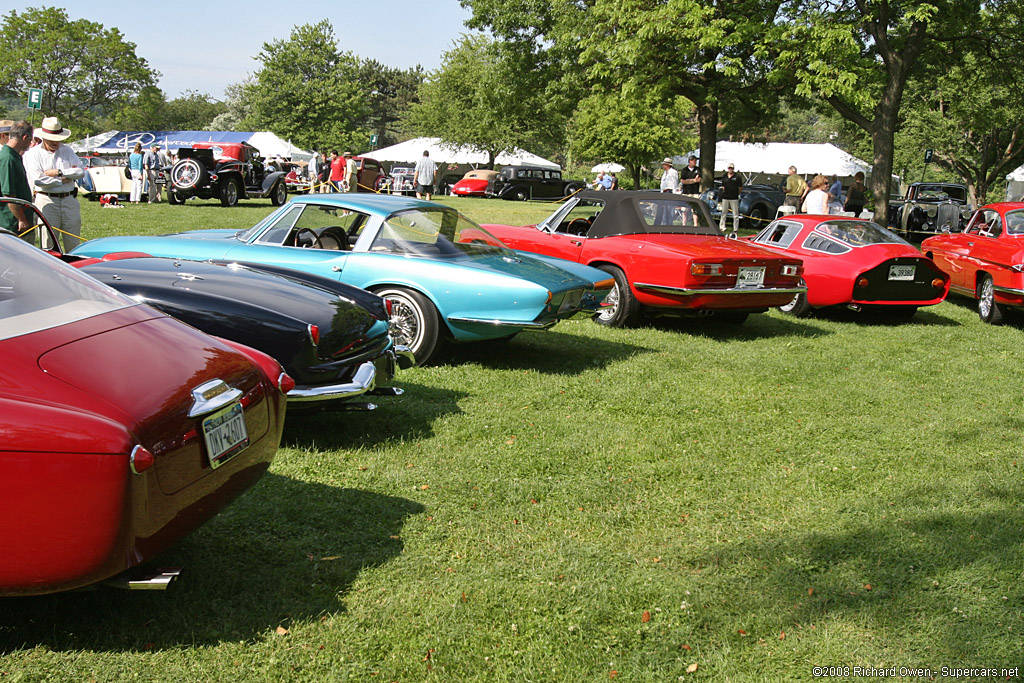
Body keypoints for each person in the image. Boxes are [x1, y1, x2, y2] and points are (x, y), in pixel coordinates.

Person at [23, 116, 84, 251]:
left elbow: (80, 171)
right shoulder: (33, 154)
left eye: (58, 139)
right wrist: (64, 178)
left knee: (73, 243)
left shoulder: (67, 150)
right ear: (43, 137)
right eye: (51, 139)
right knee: (48, 244)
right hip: (47, 201)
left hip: (69, 200)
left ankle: (74, 269)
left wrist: (59, 173)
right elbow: (39, 179)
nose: (55, 142)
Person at [0, 120, 35, 243]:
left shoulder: (14, 156)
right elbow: (9, 194)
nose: (31, 143)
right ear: (25, 138)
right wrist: (21, 218)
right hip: (12, 225)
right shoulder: (7, 159)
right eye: (30, 140)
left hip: (18, 222)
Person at [719, 163, 743, 233]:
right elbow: (723, 186)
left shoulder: (737, 177)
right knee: (724, 213)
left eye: (731, 168)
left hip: (734, 198)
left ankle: (735, 229)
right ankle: (722, 227)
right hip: (725, 197)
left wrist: (736, 194)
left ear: (733, 169)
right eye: (729, 168)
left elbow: (740, 188)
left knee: (735, 215)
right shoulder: (724, 176)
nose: (730, 169)